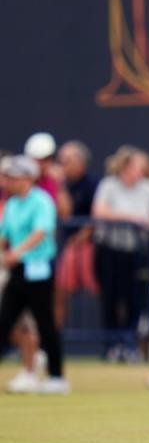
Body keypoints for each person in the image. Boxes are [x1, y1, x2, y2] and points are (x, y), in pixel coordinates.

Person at [92, 146, 149, 360]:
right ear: (126, 167)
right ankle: (111, 345)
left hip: (139, 250)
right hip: (111, 249)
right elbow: (99, 211)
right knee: (111, 297)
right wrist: (132, 218)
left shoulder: (148, 187)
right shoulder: (109, 185)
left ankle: (130, 343)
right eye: (138, 168)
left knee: (136, 299)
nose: (142, 172)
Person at [0, 156, 68, 394]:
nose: (8, 182)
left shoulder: (41, 201)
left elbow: (41, 232)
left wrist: (16, 253)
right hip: (19, 271)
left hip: (39, 270)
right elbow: (3, 234)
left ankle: (57, 377)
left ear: (28, 179)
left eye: (14, 177)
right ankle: (32, 373)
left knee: (45, 323)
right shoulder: (12, 204)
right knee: (4, 320)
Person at [55, 141, 100, 328]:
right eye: (61, 161)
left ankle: (116, 340)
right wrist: (59, 185)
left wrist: (82, 236)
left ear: (81, 162)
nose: (62, 165)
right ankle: (54, 337)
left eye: (67, 161)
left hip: (91, 246)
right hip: (69, 246)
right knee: (60, 291)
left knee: (98, 291)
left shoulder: (93, 184)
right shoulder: (61, 185)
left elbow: (97, 215)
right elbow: (65, 213)